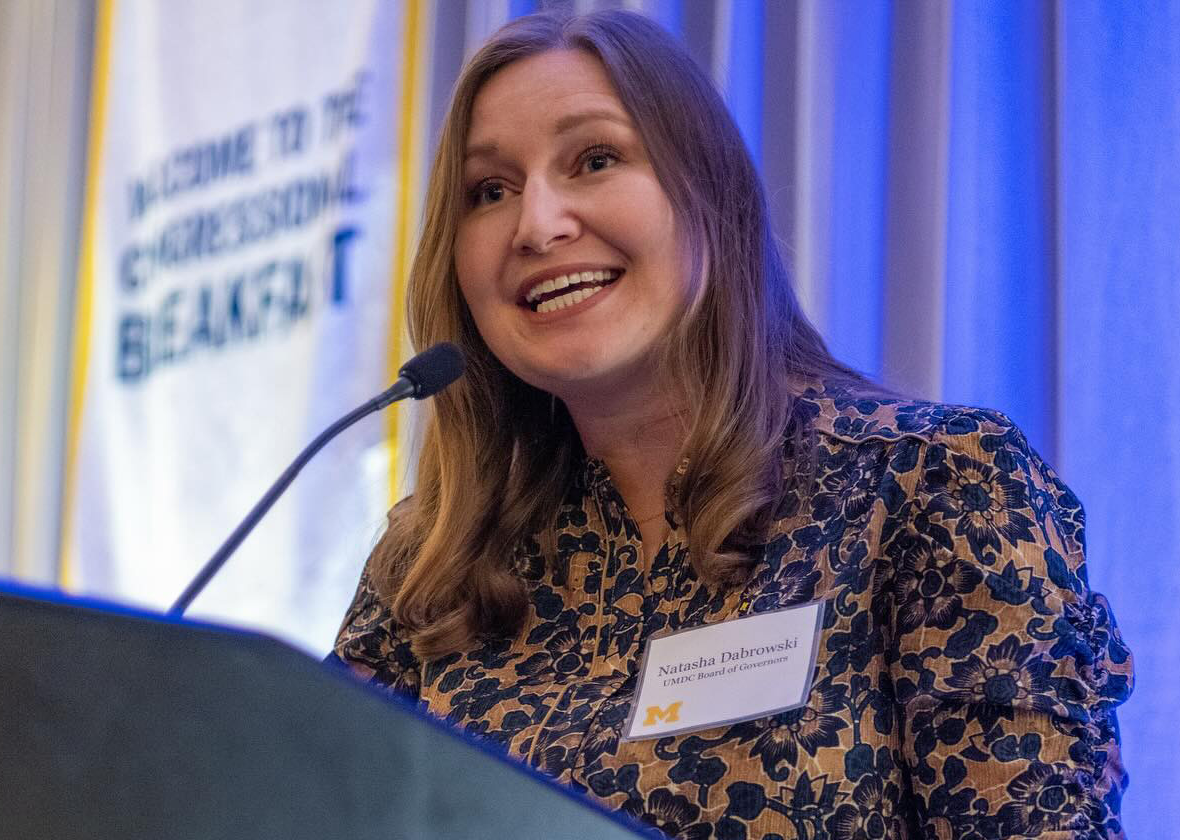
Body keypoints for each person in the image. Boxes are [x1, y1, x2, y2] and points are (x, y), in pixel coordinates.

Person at [332, 10, 1133, 839]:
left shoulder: (934, 486)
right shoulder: (429, 569)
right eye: (489, 191)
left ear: (707, 191)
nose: (537, 225)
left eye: (596, 159)